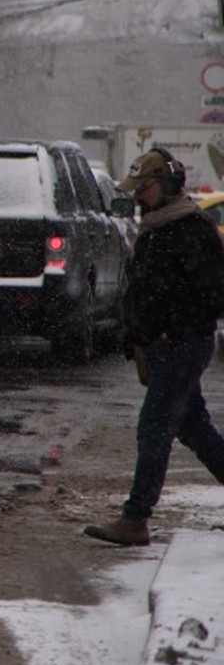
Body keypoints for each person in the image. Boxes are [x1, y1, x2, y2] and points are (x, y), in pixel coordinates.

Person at [84, 147, 224, 547]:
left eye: (142, 189)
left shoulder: (192, 229)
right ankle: (135, 517)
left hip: (182, 346)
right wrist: (138, 341)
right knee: (193, 429)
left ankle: (135, 518)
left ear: (165, 186)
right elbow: (144, 292)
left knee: (155, 428)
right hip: (165, 348)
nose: (137, 198)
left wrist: (165, 332)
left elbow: (211, 295)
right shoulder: (156, 226)